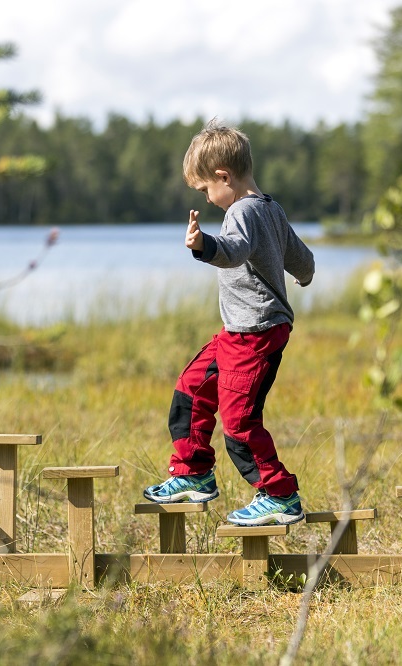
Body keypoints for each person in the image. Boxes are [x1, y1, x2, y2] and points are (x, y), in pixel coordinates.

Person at [142, 118, 317, 526]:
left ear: (224, 176)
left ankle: (279, 495)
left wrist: (204, 244)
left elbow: (234, 250)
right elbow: (301, 258)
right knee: (191, 390)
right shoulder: (272, 209)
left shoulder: (240, 211)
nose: (208, 197)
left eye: (206, 189)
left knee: (238, 422)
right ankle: (193, 472)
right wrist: (304, 276)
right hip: (238, 332)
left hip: (254, 334)